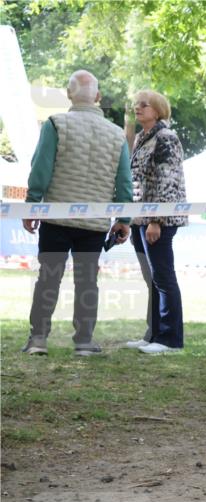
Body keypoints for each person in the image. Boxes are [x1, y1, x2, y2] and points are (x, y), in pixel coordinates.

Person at [21, 70, 132, 357]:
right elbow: (123, 182)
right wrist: (123, 220)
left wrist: (33, 203)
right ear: (97, 97)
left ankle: (38, 339)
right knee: (87, 281)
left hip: (57, 218)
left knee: (48, 278)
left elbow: (41, 169)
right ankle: (84, 340)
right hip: (94, 223)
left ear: (69, 94)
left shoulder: (56, 124)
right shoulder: (117, 134)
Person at [127, 90, 188, 354]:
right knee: (152, 278)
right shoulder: (141, 137)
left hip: (157, 220)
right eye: (136, 104)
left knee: (163, 276)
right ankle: (153, 334)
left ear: (158, 109)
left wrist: (156, 220)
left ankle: (170, 340)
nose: (137, 108)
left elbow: (168, 181)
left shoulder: (166, 137)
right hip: (140, 218)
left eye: (144, 104)